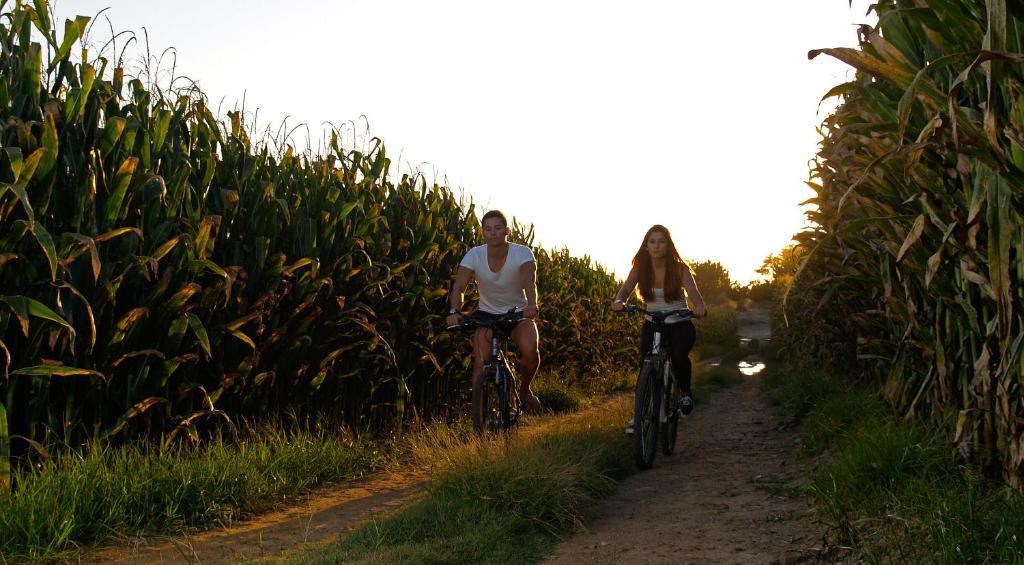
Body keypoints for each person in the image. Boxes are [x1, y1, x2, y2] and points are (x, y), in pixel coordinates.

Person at [612, 224, 706, 431]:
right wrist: (619, 300)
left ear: (668, 245)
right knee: (646, 363)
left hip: (679, 323)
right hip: (653, 322)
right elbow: (627, 288)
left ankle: (685, 394)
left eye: (661, 241)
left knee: (679, 356)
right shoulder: (640, 269)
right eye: (652, 241)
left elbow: (692, 291)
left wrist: (699, 306)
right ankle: (641, 414)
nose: (656, 246)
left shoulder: (680, 269)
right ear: (646, 246)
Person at [446, 210, 542, 414]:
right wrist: (454, 310)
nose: (493, 233)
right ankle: (479, 420)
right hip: (487, 315)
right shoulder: (474, 254)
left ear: (507, 231)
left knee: (530, 349)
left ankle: (524, 392)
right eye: (488, 229)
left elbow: (529, 280)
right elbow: (459, 287)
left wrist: (531, 304)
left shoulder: (522, 252)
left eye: (498, 228)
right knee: (480, 363)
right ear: (483, 233)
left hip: (518, 314)